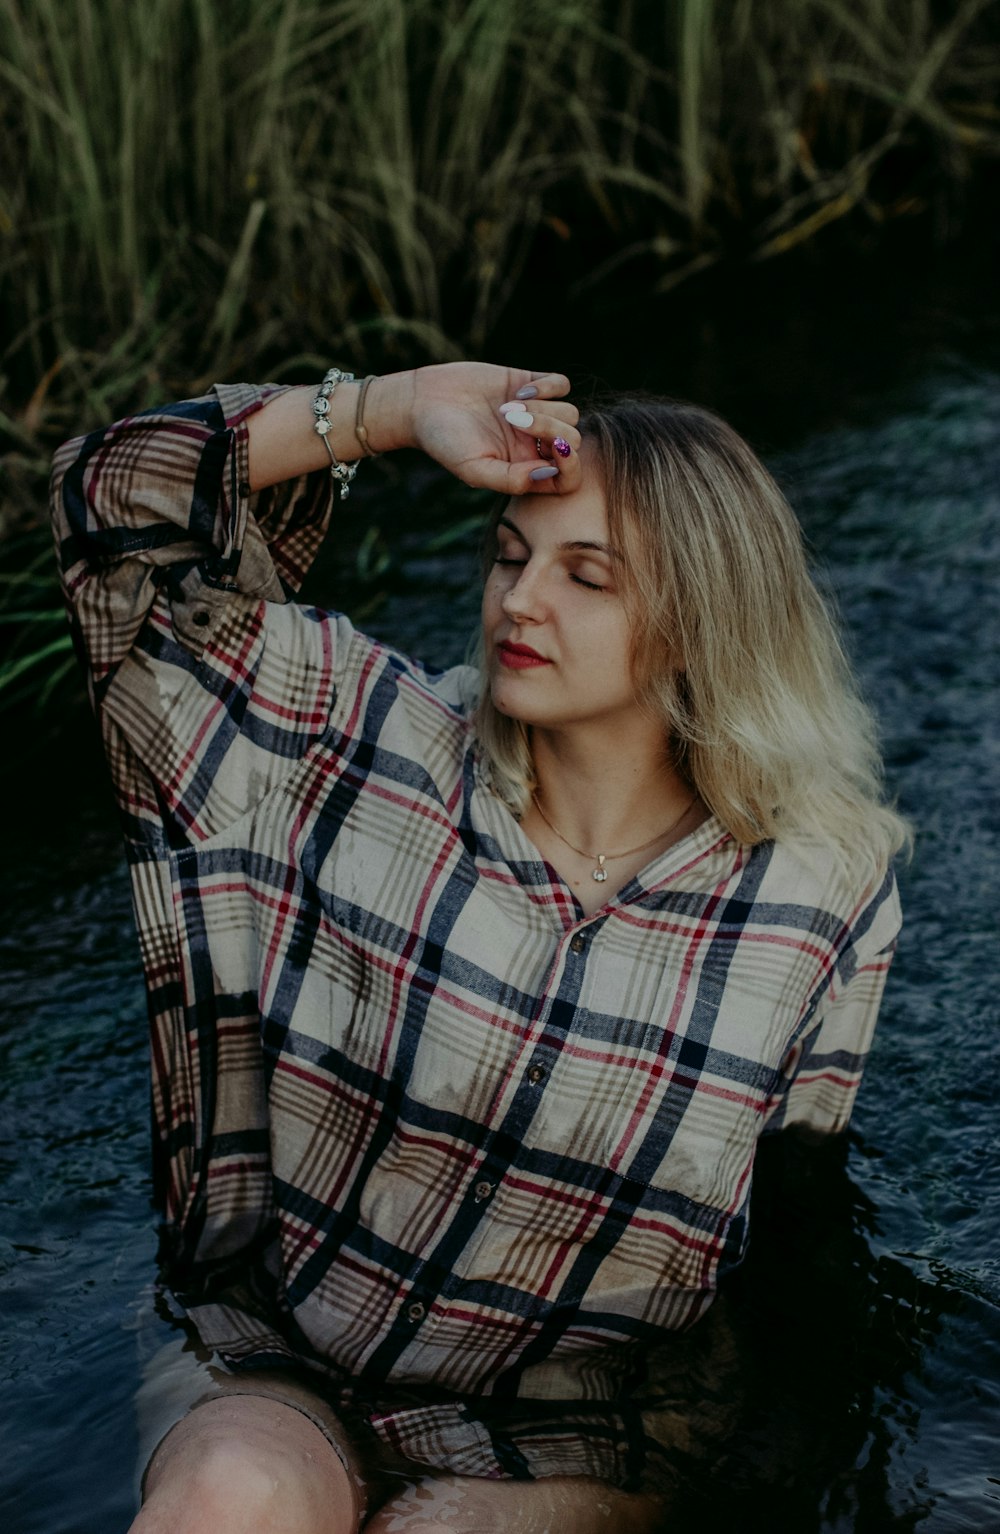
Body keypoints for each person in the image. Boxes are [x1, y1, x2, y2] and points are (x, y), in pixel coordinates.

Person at [50, 361, 907, 1533]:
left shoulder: (823, 893)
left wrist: (621, 1504)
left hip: (590, 1436)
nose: (519, 601)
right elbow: (109, 508)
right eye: (510, 556)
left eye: (584, 575)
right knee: (224, 1498)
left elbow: (796, 1238)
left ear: (701, 620)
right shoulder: (353, 732)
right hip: (282, 1357)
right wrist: (388, 412)